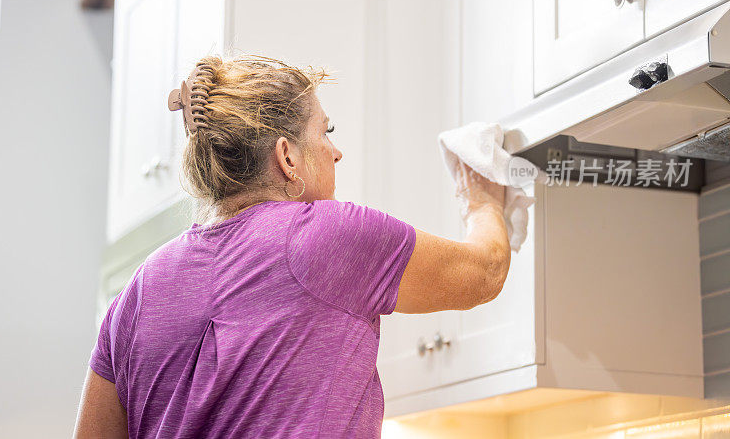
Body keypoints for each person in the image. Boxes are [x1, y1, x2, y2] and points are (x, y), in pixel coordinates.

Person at [72, 54, 509, 438]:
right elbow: (484, 272)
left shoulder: (137, 293)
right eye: (325, 132)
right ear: (287, 157)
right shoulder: (326, 235)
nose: (336, 152)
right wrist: (481, 198)